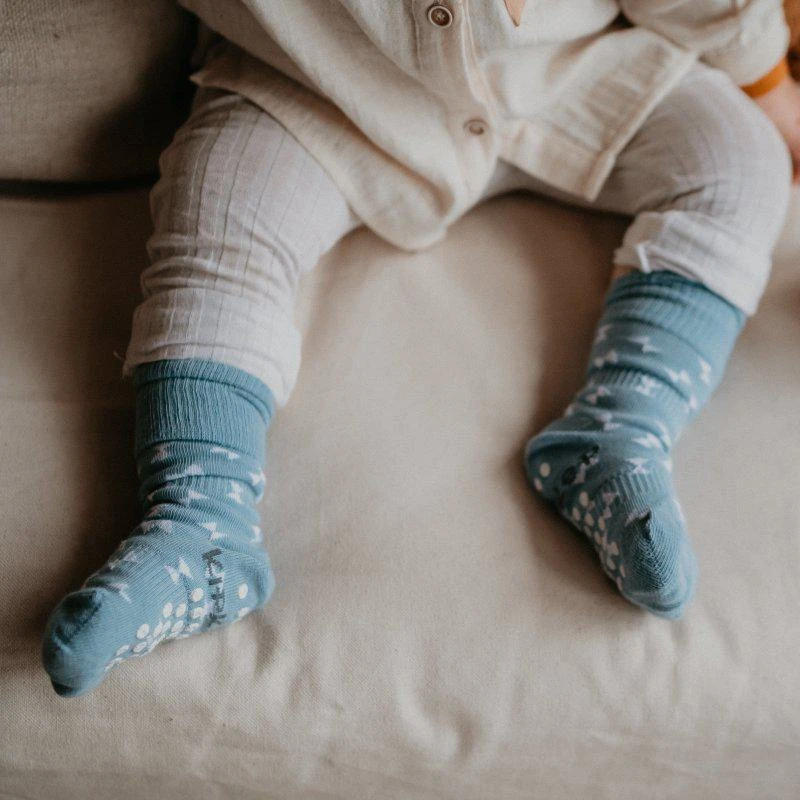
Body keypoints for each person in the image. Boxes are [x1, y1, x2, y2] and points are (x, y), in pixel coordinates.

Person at [41, 0, 798, 697]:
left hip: (565, 71)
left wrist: (766, 84)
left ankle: (618, 433)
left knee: (739, 159)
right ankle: (201, 523)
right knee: (220, 201)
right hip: (325, 89)